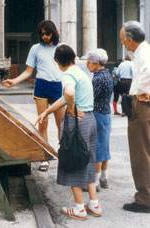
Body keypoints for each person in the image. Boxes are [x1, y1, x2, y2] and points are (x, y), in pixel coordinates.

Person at [36, 44, 102, 220]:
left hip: (76, 122)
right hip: (90, 120)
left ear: (57, 61)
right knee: (87, 160)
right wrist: (47, 112)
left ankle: (79, 207)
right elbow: (65, 97)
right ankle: (94, 204)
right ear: (73, 57)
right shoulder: (81, 72)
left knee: (71, 161)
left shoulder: (67, 75)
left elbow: (69, 94)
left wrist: (71, 108)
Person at [2, 20, 64, 171]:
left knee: (61, 124)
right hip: (41, 85)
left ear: (53, 32)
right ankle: (45, 157)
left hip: (58, 86)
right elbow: (28, 71)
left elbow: (69, 69)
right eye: (42, 34)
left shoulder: (62, 48)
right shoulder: (35, 49)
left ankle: (64, 156)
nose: (44, 37)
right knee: (43, 122)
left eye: (47, 34)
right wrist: (14, 81)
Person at [119, 20, 150, 213]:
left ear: (130, 40)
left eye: (123, 40)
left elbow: (145, 78)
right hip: (143, 103)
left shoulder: (143, 55)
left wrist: (140, 92)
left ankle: (145, 199)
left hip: (142, 104)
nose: (122, 43)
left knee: (140, 153)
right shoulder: (144, 52)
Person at [86, 49, 113, 191]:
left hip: (97, 114)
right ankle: (104, 177)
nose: (87, 64)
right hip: (106, 113)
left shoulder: (97, 78)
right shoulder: (107, 74)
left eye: (89, 62)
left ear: (96, 63)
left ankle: (95, 182)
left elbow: (92, 97)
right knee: (104, 146)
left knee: (96, 148)